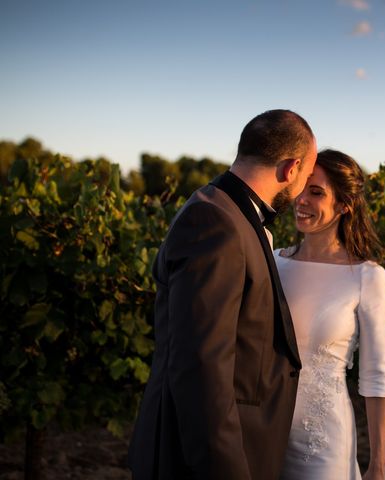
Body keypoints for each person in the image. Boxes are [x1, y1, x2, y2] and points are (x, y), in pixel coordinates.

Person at [128, 109, 317, 480]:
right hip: (201, 462)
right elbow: (203, 371)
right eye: (306, 175)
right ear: (290, 168)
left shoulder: (226, 210)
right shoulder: (215, 222)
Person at [275, 149, 385, 480]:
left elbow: (376, 375)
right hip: (266, 433)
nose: (301, 200)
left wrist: (378, 464)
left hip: (323, 442)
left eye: (316, 192)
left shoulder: (366, 277)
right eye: (301, 188)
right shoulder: (272, 262)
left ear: (344, 205)